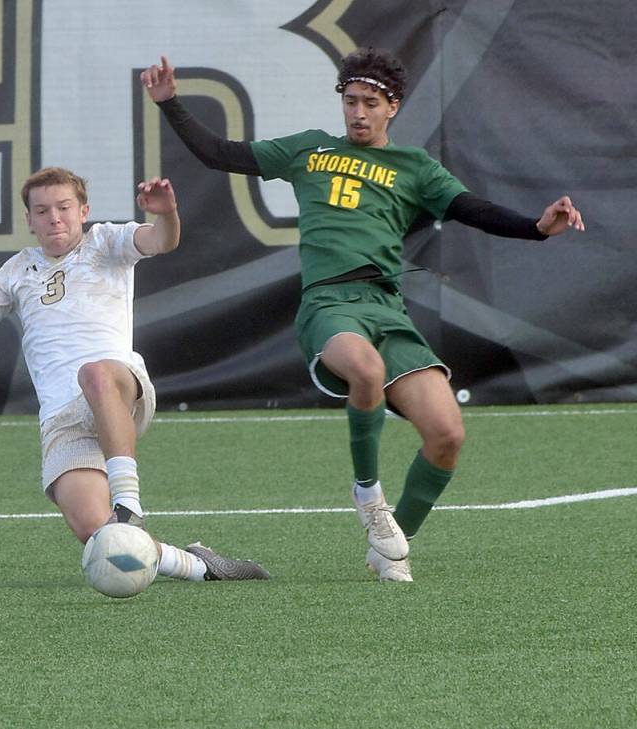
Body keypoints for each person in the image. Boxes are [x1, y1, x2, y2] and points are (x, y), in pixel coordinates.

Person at [141, 50, 584, 582]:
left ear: (392, 107)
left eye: (370, 102)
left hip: (387, 310)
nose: (358, 112)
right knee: (366, 370)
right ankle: (370, 498)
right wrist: (170, 103)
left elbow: (474, 210)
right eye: (350, 101)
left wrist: (537, 228)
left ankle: (392, 548)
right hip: (330, 304)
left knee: (447, 435)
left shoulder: (414, 167)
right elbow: (219, 153)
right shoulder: (310, 149)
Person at [0, 166, 269, 584]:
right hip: (62, 417)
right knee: (98, 535)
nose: (54, 218)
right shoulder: (17, 270)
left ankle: (128, 503)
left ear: (83, 211)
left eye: (64, 207)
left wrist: (166, 213)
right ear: (29, 220)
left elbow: (162, 240)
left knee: (93, 374)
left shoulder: (106, 242)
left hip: (118, 387)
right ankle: (199, 566)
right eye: (42, 211)